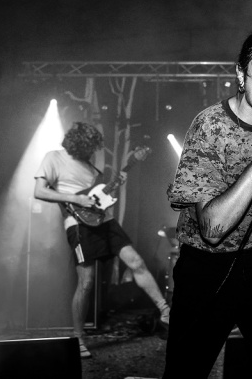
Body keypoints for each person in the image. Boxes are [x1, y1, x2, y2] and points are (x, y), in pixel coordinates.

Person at [164, 28, 252, 378]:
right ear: (241, 75)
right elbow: (211, 229)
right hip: (205, 267)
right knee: (184, 373)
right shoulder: (209, 126)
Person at [34, 122, 170, 359]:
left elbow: (100, 196)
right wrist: (76, 199)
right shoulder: (53, 157)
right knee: (86, 282)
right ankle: (78, 339)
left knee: (136, 261)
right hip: (78, 225)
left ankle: (165, 310)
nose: (91, 151)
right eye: (88, 147)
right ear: (77, 143)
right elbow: (40, 191)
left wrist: (116, 183)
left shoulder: (92, 169)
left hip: (104, 220)